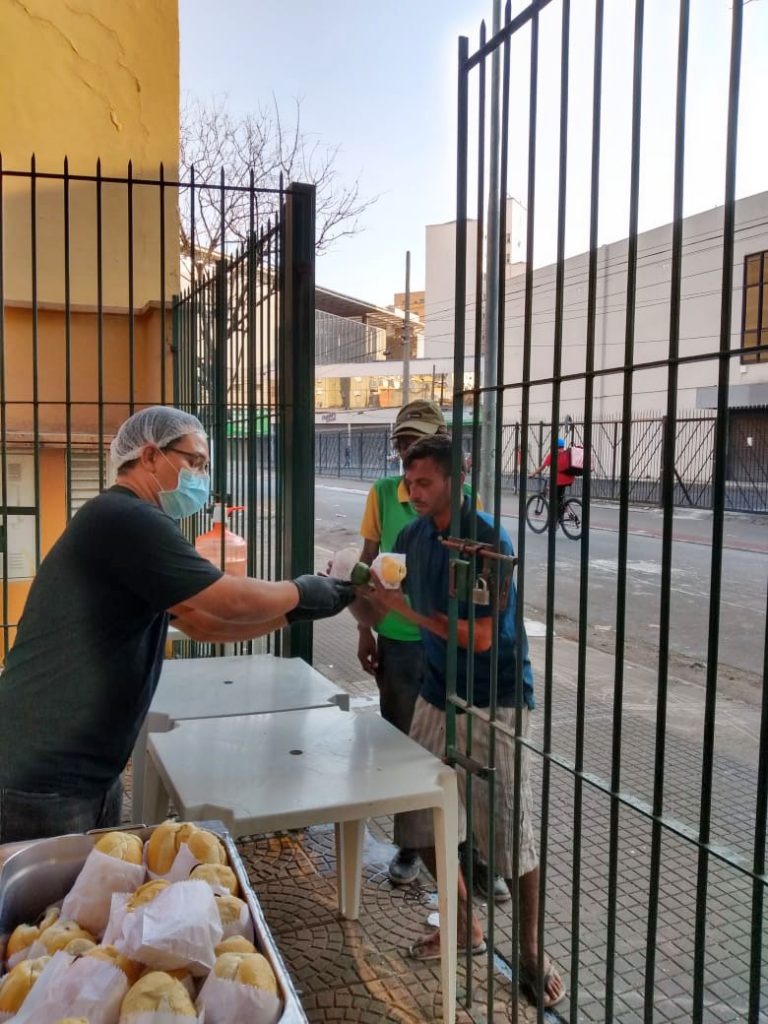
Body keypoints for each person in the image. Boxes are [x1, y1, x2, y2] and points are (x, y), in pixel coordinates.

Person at [0, 406, 355, 845]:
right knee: (47, 911)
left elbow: (205, 624)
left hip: (80, 769)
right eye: (196, 462)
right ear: (150, 456)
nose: (201, 478)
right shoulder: (127, 519)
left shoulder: (124, 521)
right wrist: (304, 590)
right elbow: (226, 598)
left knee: (82, 905)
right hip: (42, 779)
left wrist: (296, 611)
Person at [361, 434, 565, 1010]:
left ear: (456, 478)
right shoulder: (412, 535)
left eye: (424, 481)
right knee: (419, 817)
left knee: (508, 829)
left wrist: (401, 610)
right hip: (435, 689)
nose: (414, 492)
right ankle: (463, 925)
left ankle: (529, 951)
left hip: (494, 696)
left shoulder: (486, 541)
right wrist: (362, 602)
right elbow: (386, 592)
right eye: (409, 481)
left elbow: (477, 638)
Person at [357, 400, 509, 902]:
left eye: (415, 440)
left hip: (455, 650)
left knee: (465, 755)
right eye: (401, 442)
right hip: (402, 644)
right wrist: (367, 627)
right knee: (408, 752)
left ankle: (474, 855)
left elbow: (479, 605)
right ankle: (412, 844)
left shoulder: (470, 510)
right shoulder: (385, 496)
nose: (406, 452)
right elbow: (371, 566)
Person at [530, 437, 576, 519]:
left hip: (559, 481)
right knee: (560, 497)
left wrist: (533, 474)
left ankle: (557, 521)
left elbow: (543, 467)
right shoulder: (567, 454)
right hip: (569, 479)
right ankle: (568, 512)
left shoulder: (553, 455)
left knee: (554, 499)